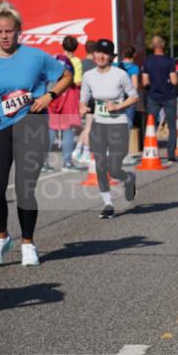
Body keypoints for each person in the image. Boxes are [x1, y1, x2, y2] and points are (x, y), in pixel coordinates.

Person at [0, 0, 73, 266]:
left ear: (19, 30)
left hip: (31, 124)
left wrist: (49, 95)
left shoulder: (36, 56)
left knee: (25, 187)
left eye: (9, 31)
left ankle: (28, 243)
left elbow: (66, 76)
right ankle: (1, 238)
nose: (4, 36)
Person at [80, 39, 138, 219]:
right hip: (98, 124)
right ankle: (108, 203)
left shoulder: (120, 74)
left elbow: (134, 97)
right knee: (99, 165)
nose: (100, 56)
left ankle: (128, 178)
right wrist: (82, 107)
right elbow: (84, 98)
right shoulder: (88, 76)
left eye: (105, 53)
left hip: (118, 125)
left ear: (112, 57)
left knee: (113, 169)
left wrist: (118, 107)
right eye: (98, 52)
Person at [44, 36, 83, 172]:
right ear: (76, 47)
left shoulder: (55, 58)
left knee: (51, 129)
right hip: (69, 96)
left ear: (63, 46)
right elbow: (77, 82)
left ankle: (44, 163)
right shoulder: (76, 61)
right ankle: (67, 163)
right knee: (68, 130)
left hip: (54, 96)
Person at [142, 36, 178, 162]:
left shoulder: (147, 61)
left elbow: (145, 81)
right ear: (163, 46)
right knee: (172, 126)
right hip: (169, 96)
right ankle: (171, 154)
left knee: (151, 124)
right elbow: (174, 81)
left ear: (152, 46)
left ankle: (150, 150)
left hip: (153, 96)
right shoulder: (170, 61)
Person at [116, 46, 142, 165]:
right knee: (127, 126)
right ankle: (124, 155)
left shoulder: (117, 65)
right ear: (134, 55)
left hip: (117, 98)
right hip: (128, 100)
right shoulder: (134, 68)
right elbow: (135, 85)